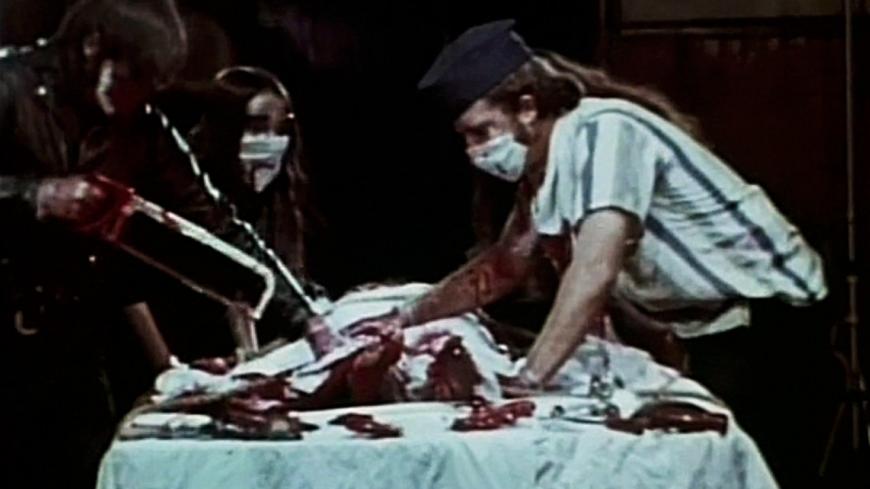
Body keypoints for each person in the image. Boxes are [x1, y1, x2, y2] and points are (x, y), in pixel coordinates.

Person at [344, 20, 829, 487]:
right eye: (467, 139)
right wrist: (405, 316)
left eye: (483, 132)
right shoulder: (543, 170)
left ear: (527, 107)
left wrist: (529, 379)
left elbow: (594, 268)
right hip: (698, 331)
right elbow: (503, 267)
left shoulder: (604, 131)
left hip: (768, 322)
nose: (475, 152)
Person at [0, 1, 190, 487]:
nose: (141, 96)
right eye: (133, 76)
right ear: (92, 47)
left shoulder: (141, 123)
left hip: (73, 351)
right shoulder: (8, 85)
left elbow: (213, 218)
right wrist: (35, 196)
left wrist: (306, 315)